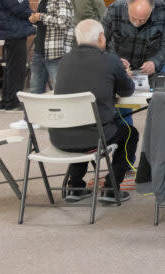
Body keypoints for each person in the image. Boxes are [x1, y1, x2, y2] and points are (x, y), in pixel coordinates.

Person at [50, 19, 137, 204]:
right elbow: (127, 91)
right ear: (101, 38)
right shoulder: (110, 61)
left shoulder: (64, 61)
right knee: (130, 133)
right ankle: (111, 189)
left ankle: (75, 187)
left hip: (60, 137)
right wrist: (125, 74)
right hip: (94, 137)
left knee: (81, 124)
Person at [102, 0, 165, 77]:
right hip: (121, 69)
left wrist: (155, 62)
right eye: (133, 18)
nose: (137, 23)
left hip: (151, 70)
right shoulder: (114, 9)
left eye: (142, 20)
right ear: (128, 5)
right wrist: (115, 60)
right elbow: (100, 43)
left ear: (152, 10)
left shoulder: (164, 11)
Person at [29, 0, 74, 94]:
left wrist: (40, 16)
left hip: (56, 55)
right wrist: (34, 21)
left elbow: (64, 22)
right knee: (34, 92)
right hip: (39, 52)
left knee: (61, 91)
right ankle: (31, 115)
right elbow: (46, 26)